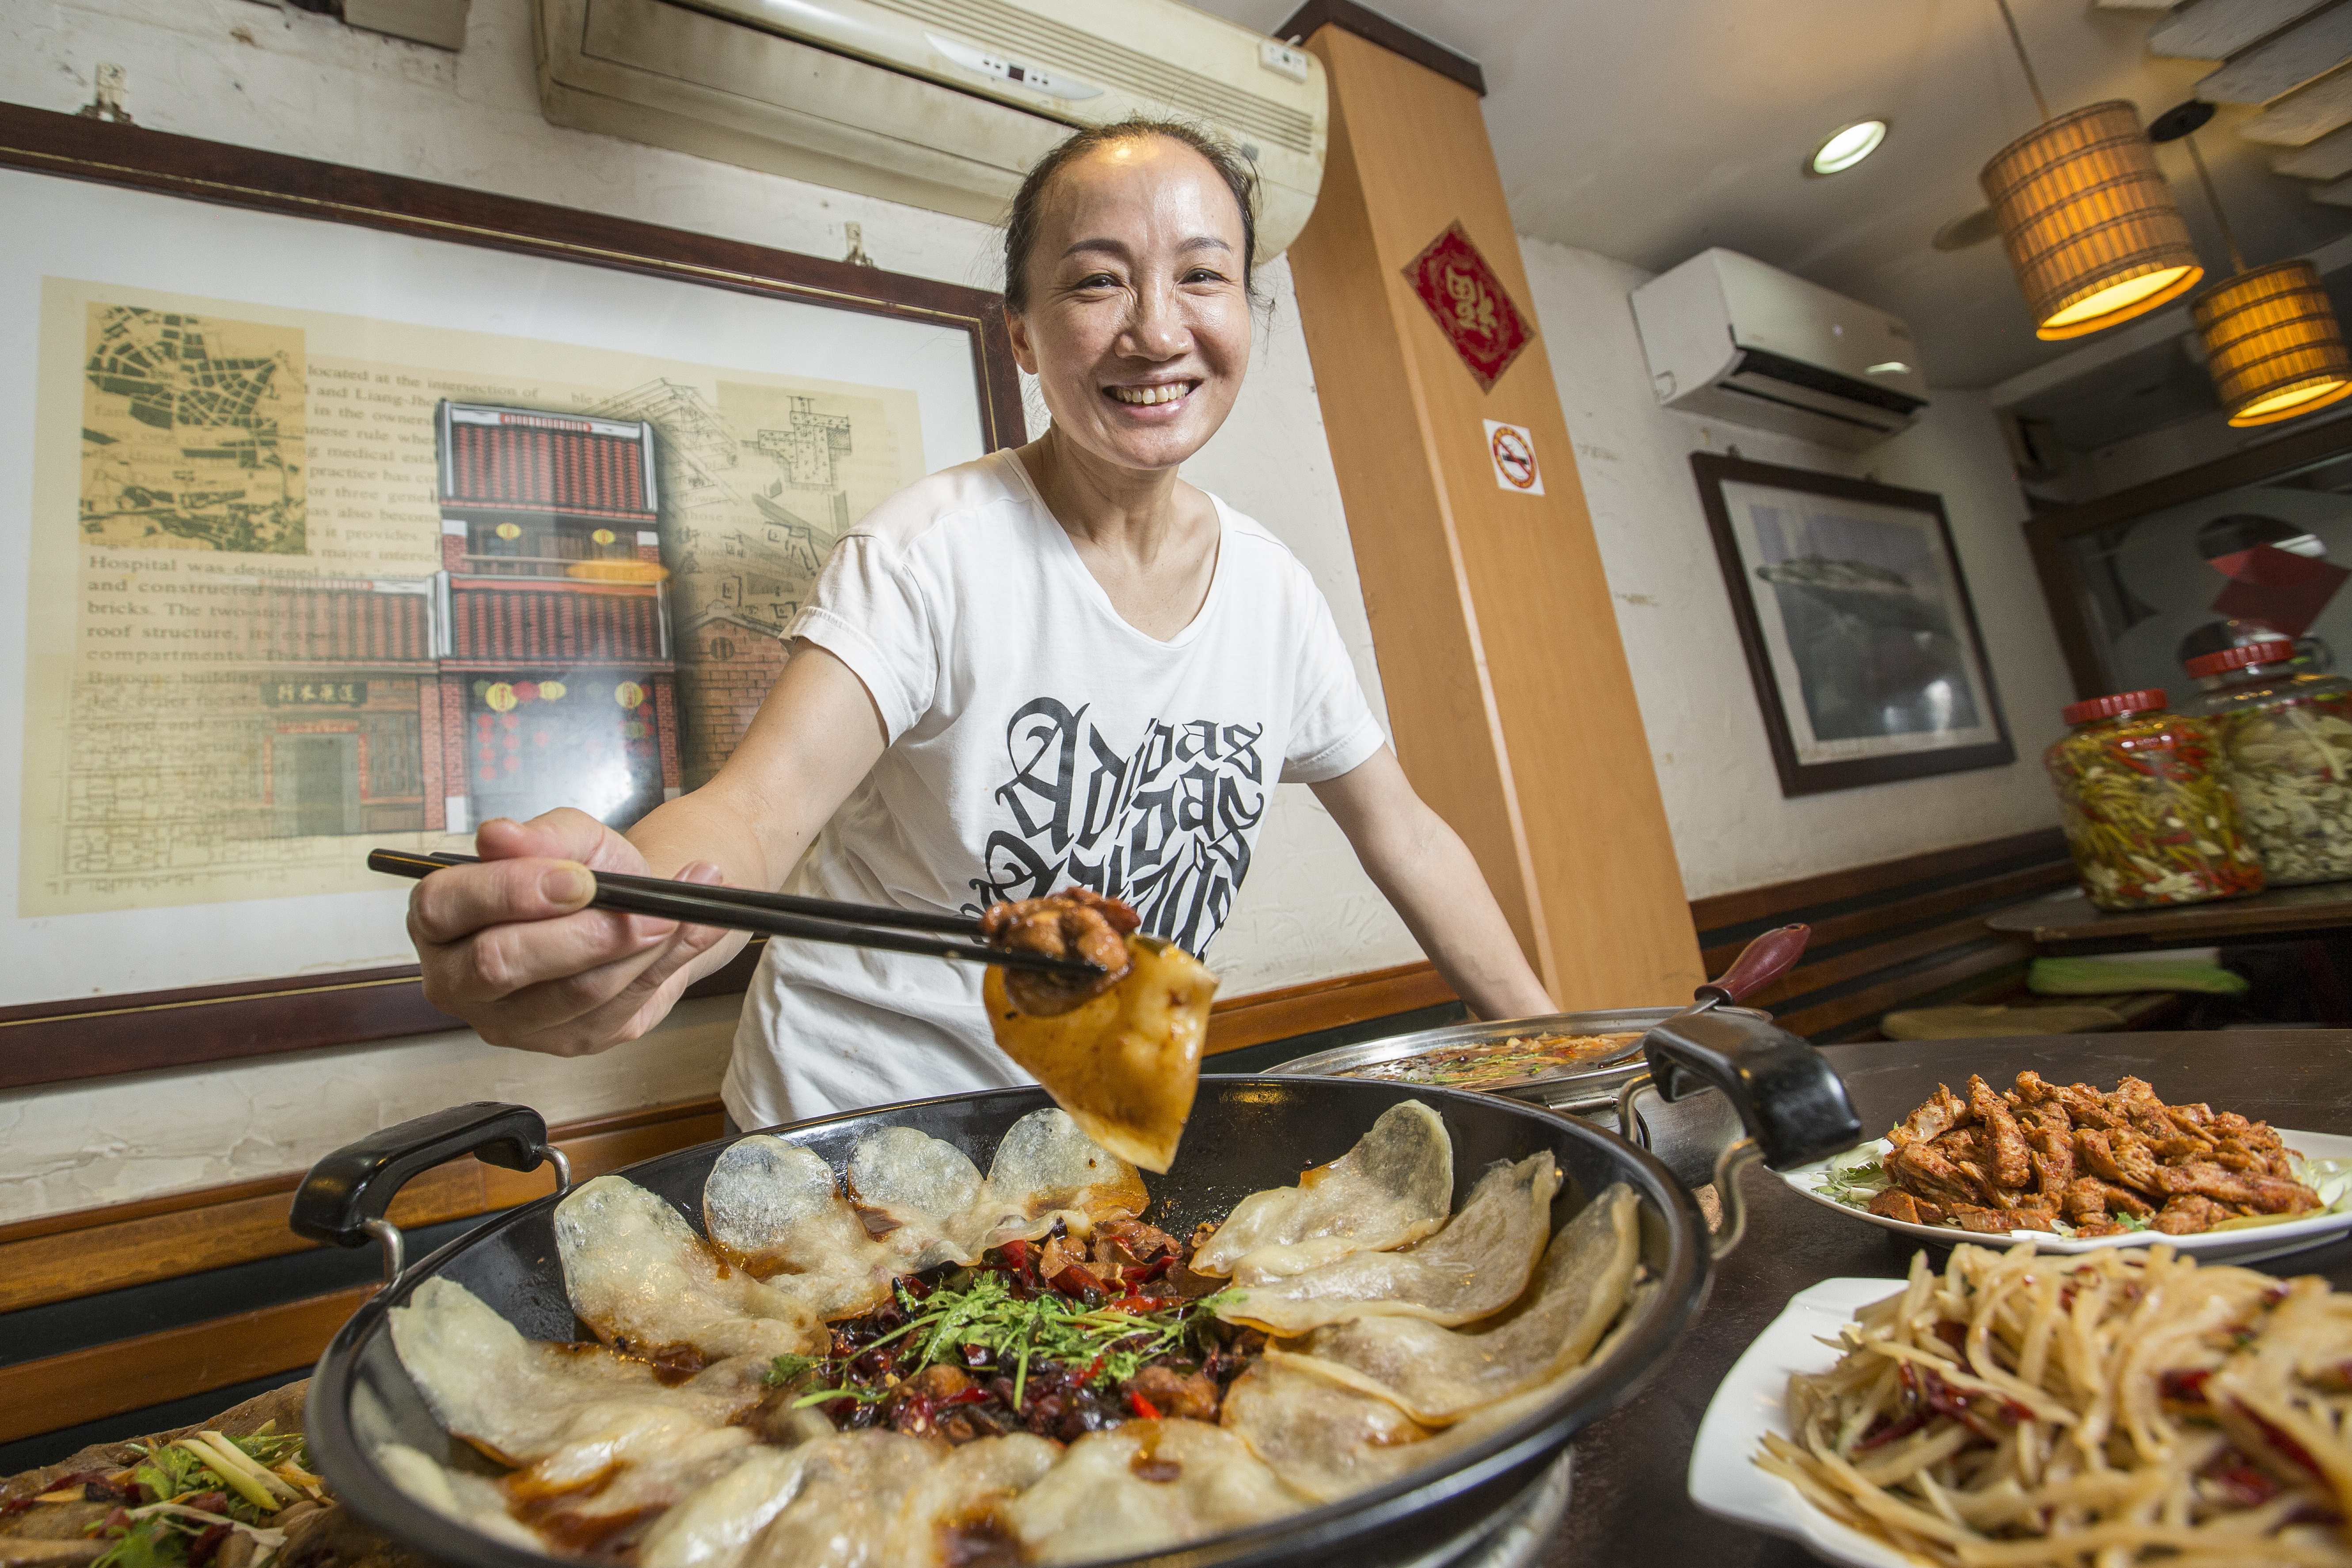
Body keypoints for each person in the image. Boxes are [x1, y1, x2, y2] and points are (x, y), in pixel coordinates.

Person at [407, 120, 1555, 1131]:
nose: (1157, 332)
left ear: (1245, 312)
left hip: (1094, 1129)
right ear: (1022, 332)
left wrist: (1559, 1050)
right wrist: (623, 903)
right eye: (1097, 282)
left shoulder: (1273, 597)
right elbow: (759, 809)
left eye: (1201, 276)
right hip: (854, 1129)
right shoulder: (930, 550)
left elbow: (1402, 832)